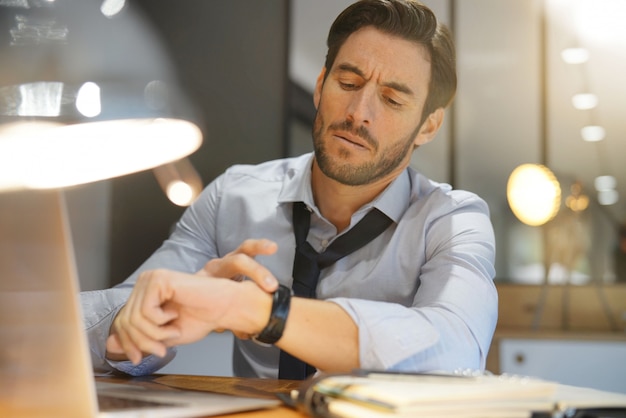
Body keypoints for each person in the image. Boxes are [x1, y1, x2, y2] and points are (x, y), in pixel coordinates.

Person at [81, 0, 497, 380]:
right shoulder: (234, 196)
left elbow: (458, 346)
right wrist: (136, 327)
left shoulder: (452, 220)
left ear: (428, 125)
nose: (358, 113)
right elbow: (109, 315)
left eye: (391, 99)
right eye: (349, 83)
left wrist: (260, 311)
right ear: (321, 86)